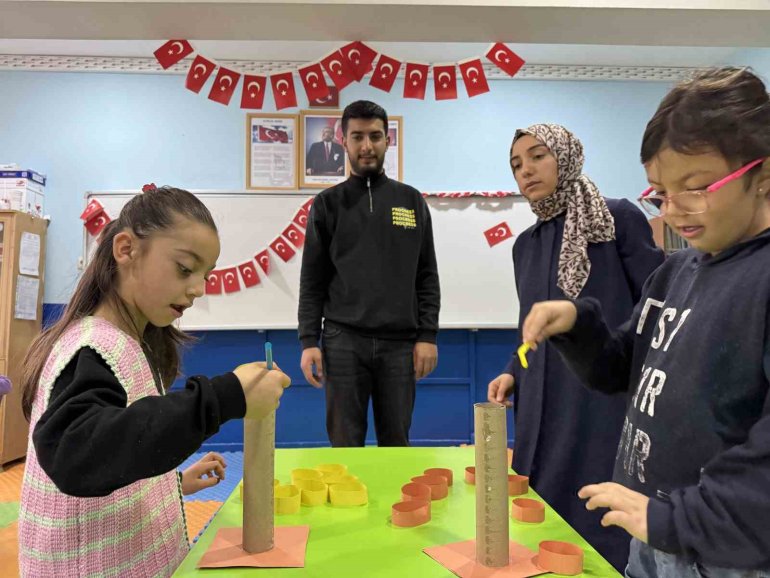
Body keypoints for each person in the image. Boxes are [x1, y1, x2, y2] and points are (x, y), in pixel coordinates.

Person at [520, 67, 770, 576]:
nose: (674, 210)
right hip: (651, 535)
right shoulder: (677, 270)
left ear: (763, 178)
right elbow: (619, 370)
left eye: (695, 188)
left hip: (723, 552)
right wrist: (576, 325)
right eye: (659, 191)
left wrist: (677, 518)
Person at [18, 185, 290, 577]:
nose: (198, 288)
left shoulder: (129, 343)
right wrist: (226, 396)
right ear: (126, 250)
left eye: (205, 275)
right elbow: (75, 454)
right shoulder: (91, 348)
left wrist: (171, 484)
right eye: (185, 268)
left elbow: (121, 446)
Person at [487, 123, 664, 570]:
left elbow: (655, 302)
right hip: (541, 397)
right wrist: (512, 367)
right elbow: (530, 321)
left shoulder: (617, 218)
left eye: (538, 156)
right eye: (516, 165)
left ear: (567, 157)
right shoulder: (525, 245)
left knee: (599, 504)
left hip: (601, 394)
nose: (526, 170)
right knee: (542, 501)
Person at [298, 100, 440, 447]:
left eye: (375, 136)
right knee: (345, 443)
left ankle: (394, 503)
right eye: (357, 136)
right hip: (342, 342)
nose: (366, 146)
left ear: (387, 140)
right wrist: (307, 342)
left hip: (400, 345)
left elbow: (427, 275)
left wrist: (428, 336)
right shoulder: (327, 204)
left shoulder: (411, 201)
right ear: (344, 141)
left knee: (396, 442)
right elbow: (312, 280)